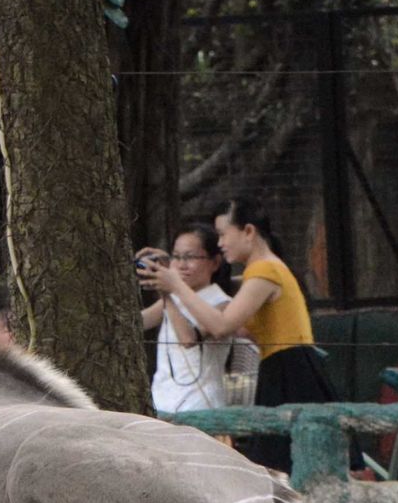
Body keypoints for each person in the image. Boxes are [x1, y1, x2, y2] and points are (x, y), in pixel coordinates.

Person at [138, 196, 338, 474]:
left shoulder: (265, 270)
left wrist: (174, 286)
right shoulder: (260, 272)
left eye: (223, 234)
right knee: (284, 465)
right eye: (178, 257)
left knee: (293, 465)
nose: (220, 242)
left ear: (248, 232)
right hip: (280, 368)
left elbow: (221, 326)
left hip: (290, 369)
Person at [137, 223, 234, 413]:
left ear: (215, 262)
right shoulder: (175, 297)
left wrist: (169, 293)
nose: (181, 265)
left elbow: (188, 339)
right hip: (161, 403)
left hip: (200, 406)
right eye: (177, 257)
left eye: (190, 257)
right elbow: (138, 323)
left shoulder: (223, 302)